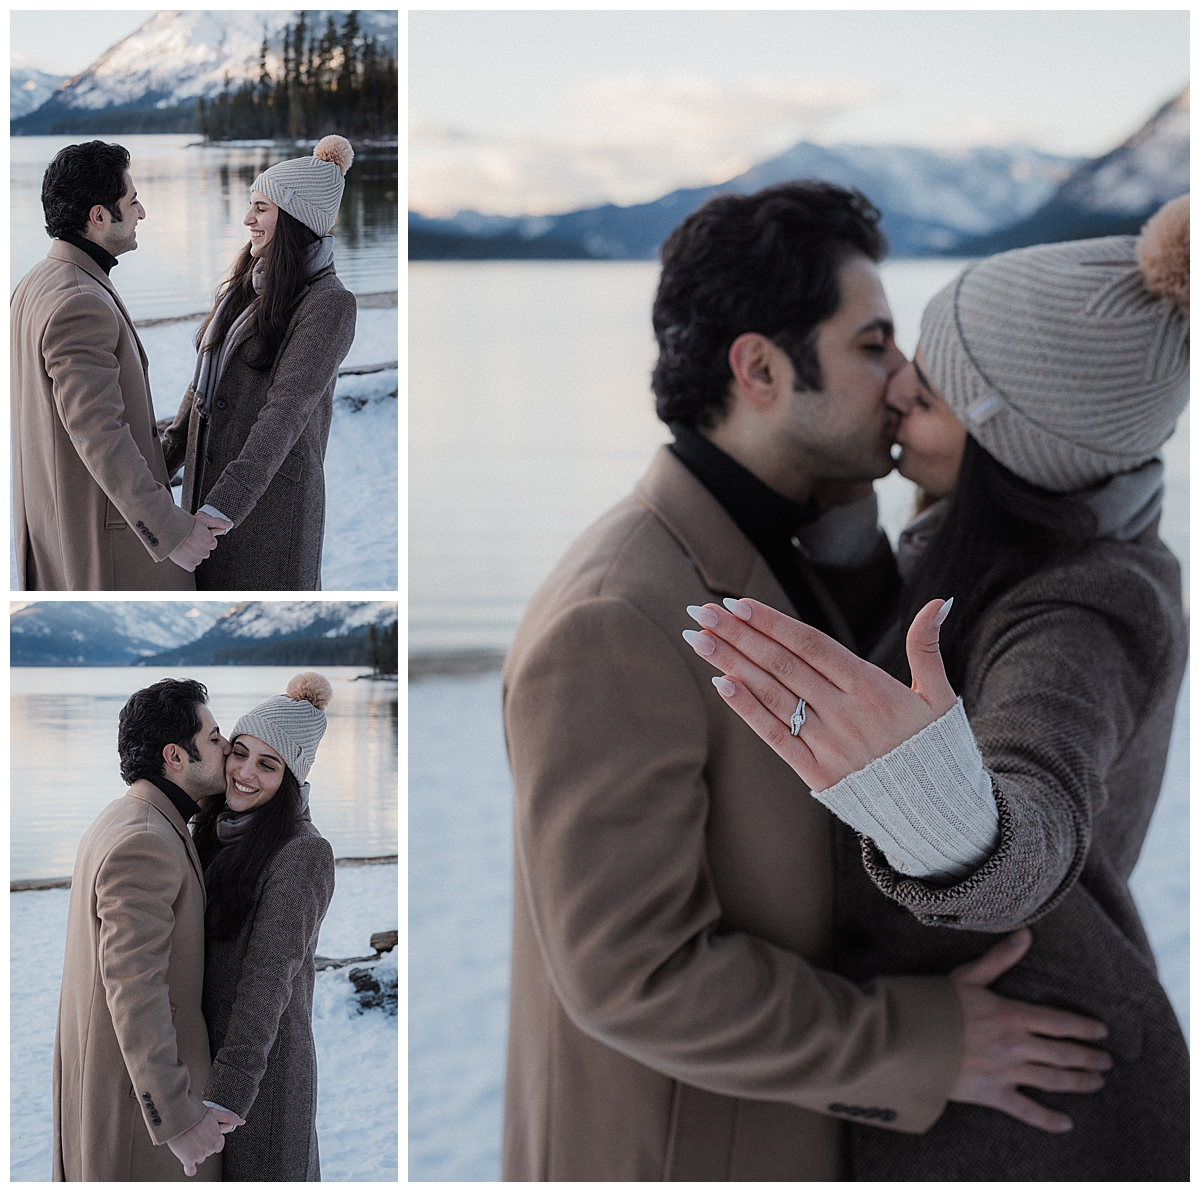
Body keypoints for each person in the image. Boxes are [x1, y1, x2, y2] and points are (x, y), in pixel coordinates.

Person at [500, 182, 1110, 1181]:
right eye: (873, 345)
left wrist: (857, 557)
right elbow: (632, 975)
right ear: (762, 368)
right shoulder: (616, 616)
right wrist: (925, 1042)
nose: (905, 377)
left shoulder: (782, 544)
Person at [686, 195, 1189, 1179]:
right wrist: (845, 549)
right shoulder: (1018, 536)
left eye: (939, 388)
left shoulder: (1091, 606)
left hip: (1029, 1103)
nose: (899, 387)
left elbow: (1038, 798)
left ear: (1019, 444)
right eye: (911, 351)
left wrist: (951, 817)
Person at [11, 141, 231, 590]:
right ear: (99, 217)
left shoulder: (34, 282)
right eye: (132, 202)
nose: (142, 212)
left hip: (55, 531)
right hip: (110, 550)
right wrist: (170, 531)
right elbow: (98, 432)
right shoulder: (79, 301)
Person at [53, 679, 244, 1181]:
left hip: (119, 1092)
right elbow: (133, 989)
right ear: (175, 757)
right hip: (140, 1120)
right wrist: (177, 1119)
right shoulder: (146, 840)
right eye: (214, 737)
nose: (227, 748)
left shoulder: (131, 817)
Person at [163, 138, 359, 591]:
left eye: (261, 207)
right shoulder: (245, 286)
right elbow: (201, 393)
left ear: (293, 218)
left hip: (267, 514)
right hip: (202, 503)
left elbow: (285, 413)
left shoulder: (329, 304)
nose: (248, 219)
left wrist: (222, 507)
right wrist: (160, 465)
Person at [191, 673, 336, 1180]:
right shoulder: (212, 830)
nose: (244, 772)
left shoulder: (302, 853)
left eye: (267, 764)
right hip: (207, 1062)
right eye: (239, 752)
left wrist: (230, 1092)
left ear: (291, 778)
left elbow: (268, 979)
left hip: (263, 1082)